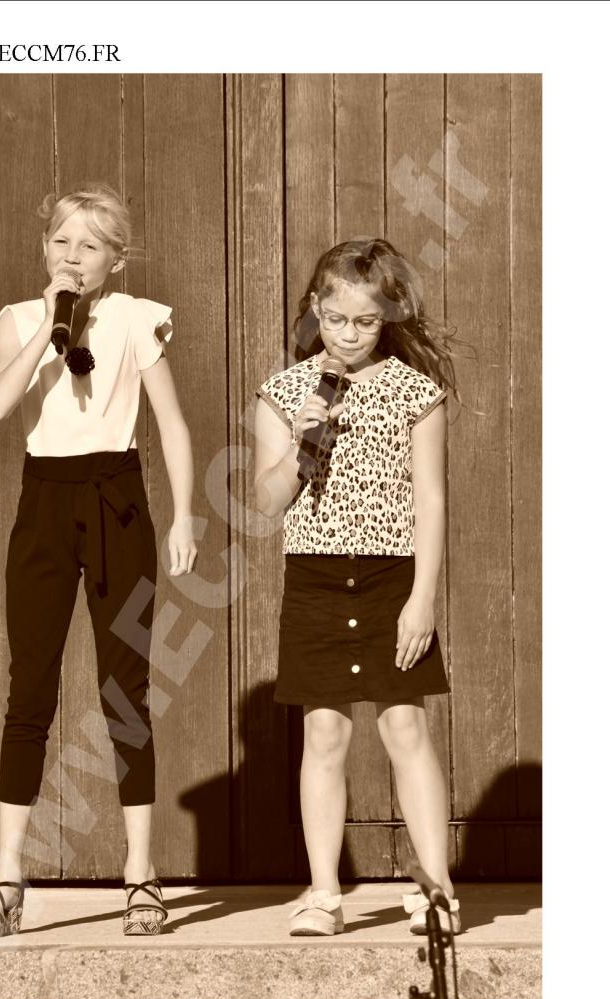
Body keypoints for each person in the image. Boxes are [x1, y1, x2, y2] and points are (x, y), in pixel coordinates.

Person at [0, 184, 196, 938]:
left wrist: (184, 515)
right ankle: (7, 876)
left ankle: (141, 875)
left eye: (90, 245)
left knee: (125, 688)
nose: (73, 256)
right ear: (45, 247)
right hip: (45, 503)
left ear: (115, 259)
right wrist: (48, 326)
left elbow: (171, 423)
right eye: (62, 241)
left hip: (116, 498)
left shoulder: (134, 318)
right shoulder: (18, 320)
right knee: (29, 688)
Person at [253, 239, 463, 937]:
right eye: (337, 319)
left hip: (390, 575)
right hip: (315, 575)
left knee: (405, 725)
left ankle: (435, 891)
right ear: (316, 310)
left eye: (366, 321)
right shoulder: (285, 392)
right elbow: (265, 503)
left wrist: (422, 598)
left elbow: (430, 499)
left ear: (386, 318)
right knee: (323, 733)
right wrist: (299, 443)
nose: (349, 334)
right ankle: (323, 894)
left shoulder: (413, 392)